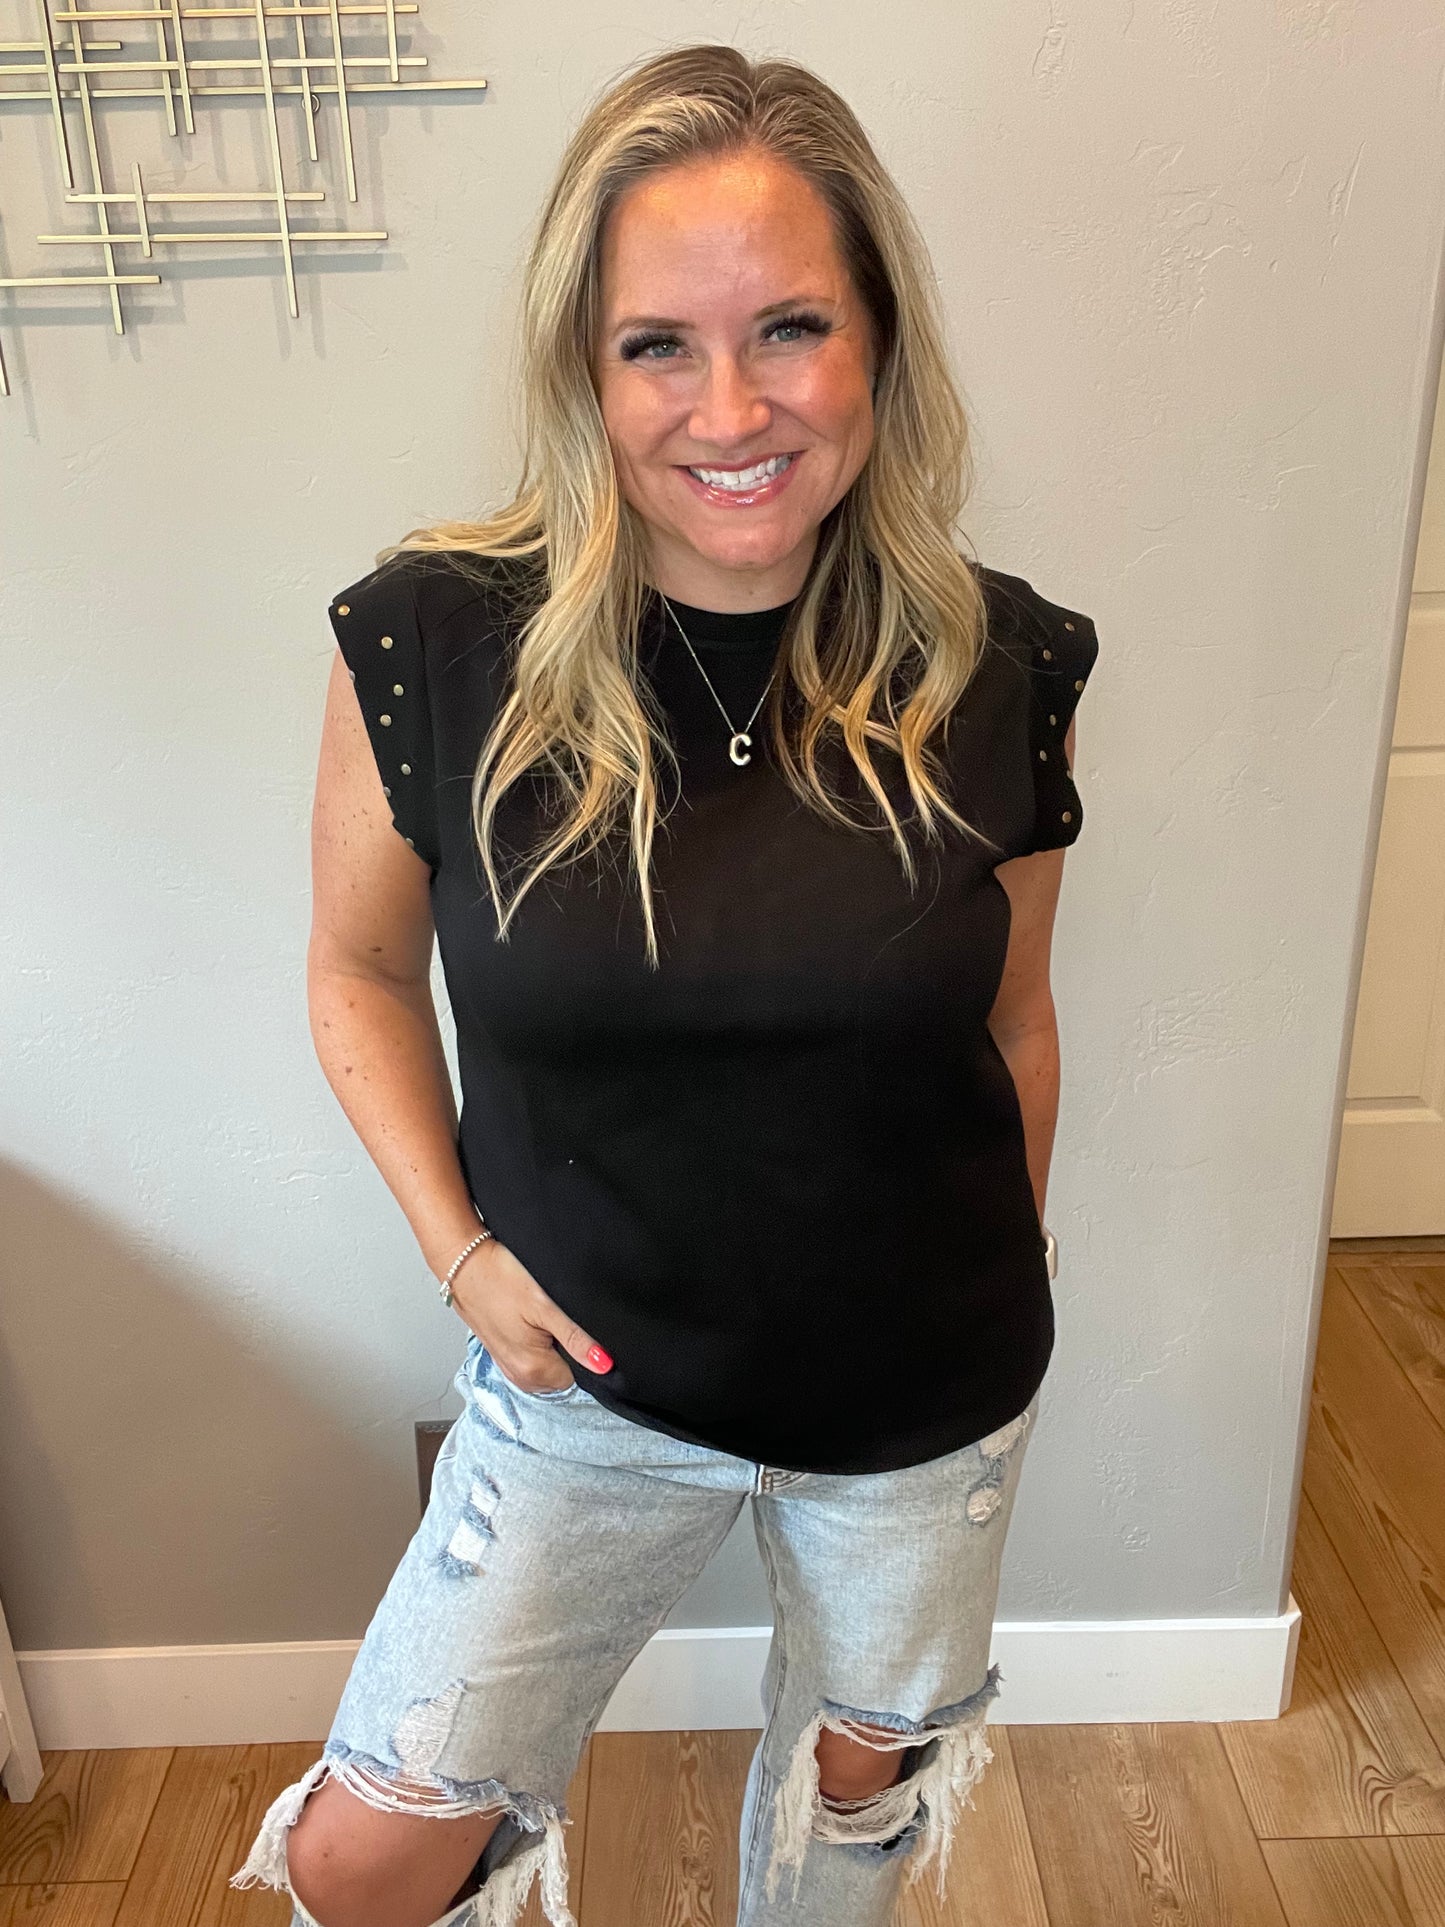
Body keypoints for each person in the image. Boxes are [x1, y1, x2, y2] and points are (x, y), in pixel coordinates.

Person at [229, 41, 1097, 1927]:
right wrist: (463, 1256)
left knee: (852, 1803)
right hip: (586, 1382)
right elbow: (357, 968)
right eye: (657, 345)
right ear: (587, 367)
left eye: (789, 327)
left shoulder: (1002, 664)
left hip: (921, 1394)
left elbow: (1012, 1020)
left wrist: (985, 1276)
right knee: (369, 1858)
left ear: (876, 342)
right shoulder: (433, 644)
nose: (729, 407)